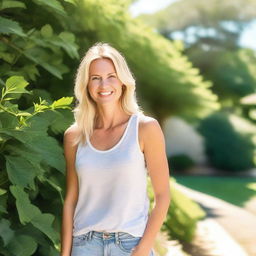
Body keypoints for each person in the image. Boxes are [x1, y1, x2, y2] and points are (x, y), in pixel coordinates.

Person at [60, 42, 171, 256]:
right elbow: (71, 200)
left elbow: (163, 195)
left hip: (130, 245)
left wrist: (142, 249)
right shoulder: (74, 136)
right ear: (86, 85)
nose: (104, 85)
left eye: (111, 76)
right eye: (95, 78)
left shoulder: (145, 128)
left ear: (123, 81)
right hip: (84, 245)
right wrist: (65, 253)